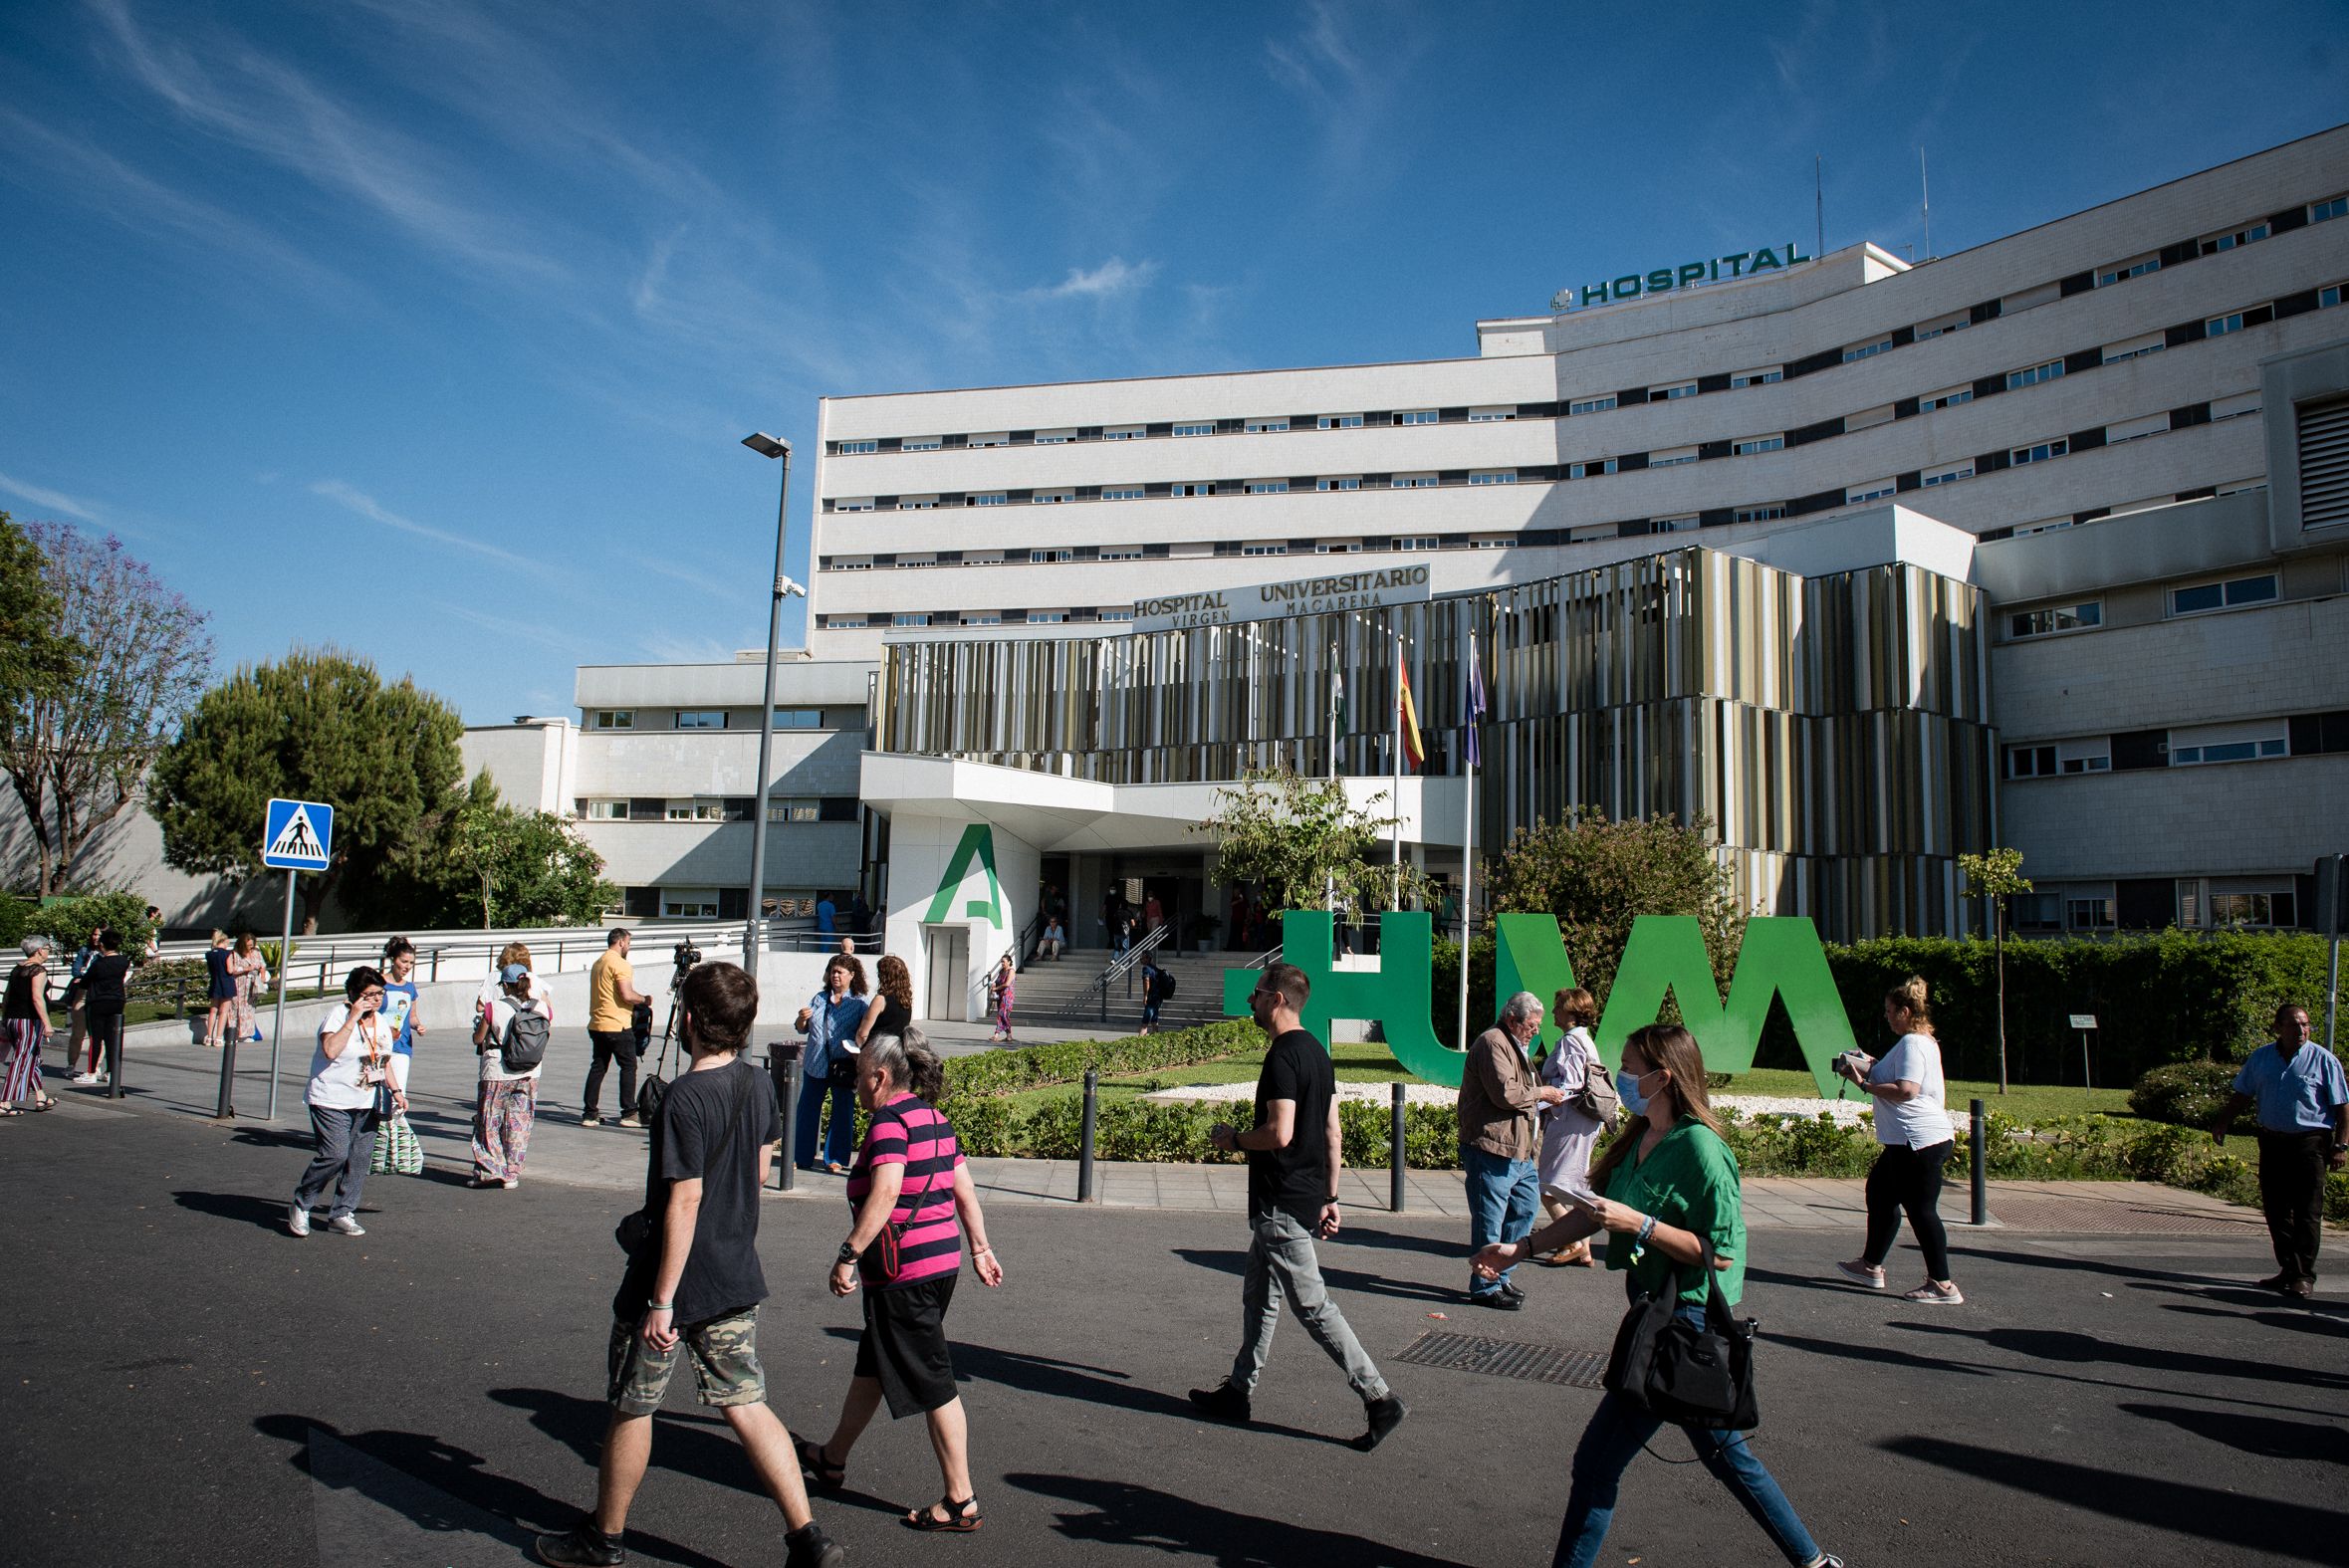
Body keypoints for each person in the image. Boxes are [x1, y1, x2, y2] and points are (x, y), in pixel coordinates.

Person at [1475, 1023, 1842, 1568]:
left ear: (1663, 1077)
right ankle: (1814, 1563)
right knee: (1728, 1458)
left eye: (1628, 1068)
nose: (1618, 1078)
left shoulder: (1701, 1149)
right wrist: (1522, 1248)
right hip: (1656, 1318)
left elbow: (1719, 1252)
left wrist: (1642, 1225)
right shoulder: (1640, 1135)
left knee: (1598, 1465)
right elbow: (1592, 1212)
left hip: (1684, 1325)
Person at [533, 962, 845, 1568]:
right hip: (733, 1270)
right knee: (747, 1403)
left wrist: (662, 1301)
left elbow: (685, 1198)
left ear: (693, 1022)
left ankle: (606, 1538)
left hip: (673, 1278)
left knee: (633, 1403)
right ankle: (807, 1537)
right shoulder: (757, 1083)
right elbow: (757, 1172)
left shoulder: (683, 1098)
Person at [1188, 962, 1407, 1451]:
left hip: (1280, 1200)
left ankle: (1379, 1397)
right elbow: (1333, 1132)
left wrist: (1233, 1141)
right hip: (1302, 1197)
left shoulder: (1284, 1057)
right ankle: (1238, 1391)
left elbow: (1279, 1132)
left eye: (1258, 993)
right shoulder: (1318, 1053)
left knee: (1312, 1305)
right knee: (1259, 1296)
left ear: (1278, 1000)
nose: (1251, 1000)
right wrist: (1331, 1197)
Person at [800, 1028, 1005, 1532]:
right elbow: (965, 1191)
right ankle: (832, 1457)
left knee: (933, 1380)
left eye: (857, 1071)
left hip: (903, 1273)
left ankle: (961, 1500)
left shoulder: (889, 1123)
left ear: (881, 1076)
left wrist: (849, 1253)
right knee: (875, 1359)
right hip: (940, 1266)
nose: (851, 1081)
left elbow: (887, 1192)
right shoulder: (936, 1120)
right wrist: (980, 1247)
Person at [1834, 976, 1964, 1304]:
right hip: (1908, 1140)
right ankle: (1870, 1266)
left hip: (1916, 1140)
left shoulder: (1911, 1043)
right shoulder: (1921, 1042)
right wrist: (1867, 1065)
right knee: (1879, 1195)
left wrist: (1864, 1085)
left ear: (1905, 1011)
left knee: (1921, 1211)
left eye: (1890, 1011)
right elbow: (1896, 1076)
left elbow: (1907, 1090)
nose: (1887, 1016)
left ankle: (1943, 1284)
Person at [2214, 1002, 2349, 1300]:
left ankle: (2303, 1276)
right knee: (2276, 1210)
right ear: (2278, 1028)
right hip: (2272, 1141)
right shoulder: (2262, 1058)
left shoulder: (2324, 1060)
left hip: (2310, 1143)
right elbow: (2242, 1094)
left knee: (2307, 1212)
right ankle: (2288, 1268)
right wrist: (2223, 1121)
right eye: (2294, 1025)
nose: (2302, 1030)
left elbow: (2342, 1107)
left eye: (2305, 1024)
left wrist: (2340, 1145)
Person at [1459, 991, 1565, 1309]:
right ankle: (1484, 1285)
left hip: (1520, 1150)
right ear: (1511, 1020)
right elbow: (1506, 1094)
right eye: (1531, 1025)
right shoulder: (1493, 1042)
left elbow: (1520, 1093)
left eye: (1537, 1026)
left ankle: (1501, 1274)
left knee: (1524, 1211)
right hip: (1493, 1147)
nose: (1536, 1031)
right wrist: (1542, 1092)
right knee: (1490, 1220)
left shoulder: (1516, 1045)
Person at [289, 967, 399, 1238]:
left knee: (359, 1159)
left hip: (366, 1101)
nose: (375, 1000)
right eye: (369, 994)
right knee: (335, 1155)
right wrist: (353, 1018)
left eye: (380, 994)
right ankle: (303, 1202)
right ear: (353, 994)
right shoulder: (337, 1016)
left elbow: (383, 1061)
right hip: (331, 1098)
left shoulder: (382, 1023)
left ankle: (342, 1212)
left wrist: (396, 1091)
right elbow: (330, 1051)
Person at [1533, 987, 1605, 1266]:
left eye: (1558, 1006)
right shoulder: (1584, 1040)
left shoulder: (1570, 1043)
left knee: (1547, 1184)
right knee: (1574, 1183)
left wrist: (1540, 1101)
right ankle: (1583, 1248)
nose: (1553, 1011)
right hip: (1583, 1121)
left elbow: (1571, 1085)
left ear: (1571, 1013)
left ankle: (1572, 1240)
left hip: (1570, 1121)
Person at [471, 962, 546, 1189]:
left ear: (505, 984)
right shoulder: (541, 1007)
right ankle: (512, 1173)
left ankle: (491, 1169)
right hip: (530, 1071)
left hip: (497, 1071)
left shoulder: (493, 1007)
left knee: (490, 1121)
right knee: (519, 1122)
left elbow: (478, 1039)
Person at [796, 956, 867, 1176]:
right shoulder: (819, 999)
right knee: (807, 1110)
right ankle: (801, 1156)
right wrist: (801, 1019)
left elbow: (865, 1034)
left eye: (841, 972)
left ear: (852, 976)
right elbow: (801, 1028)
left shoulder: (858, 1004)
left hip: (842, 1067)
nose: (835, 976)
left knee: (842, 1112)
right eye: (833, 971)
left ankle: (835, 1158)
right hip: (815, 1063)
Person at [585, 929, 650, 1129]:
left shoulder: (599, 963)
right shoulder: (620, 964)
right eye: (628, 943)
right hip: (617, 1024)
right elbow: (627, 994)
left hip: (597, 1024)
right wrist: (644, 1000)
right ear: (621, 942)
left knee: (598, 1066)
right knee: (629, 1067)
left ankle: (589, 1114)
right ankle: (629, 1113)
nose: (628, 947)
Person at [69, 928, 132, 1089]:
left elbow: (85, 982)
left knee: (96, 1038)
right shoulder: (124, 961)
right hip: (117, 1000)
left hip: (98, 1001)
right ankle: (111, 1071)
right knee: (112, 1038)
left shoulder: (99, 963)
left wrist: (81, 981)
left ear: (103, 945)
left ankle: (91, 1072)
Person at [1, 935, 58, 1113]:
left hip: (12, 1018)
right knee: (22, 1059)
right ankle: (4, 1102)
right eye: (48, 948)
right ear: (39, 950)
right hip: (28, 1021)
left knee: (30, 1057)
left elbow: (7, 995)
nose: (49, 951)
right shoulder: (38, 971)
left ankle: (41, 1097)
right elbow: (37, 998)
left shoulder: (17, 969)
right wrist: (47, 1024)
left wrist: (5, 1018)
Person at [379, 937, 428, 1106]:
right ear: (393, 960)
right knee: (377, 1091)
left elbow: (412, 1016)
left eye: (411, 963)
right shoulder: (379, 983)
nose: (407, 966)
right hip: (378, 1045)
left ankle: (393, 1128)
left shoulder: (409, 988)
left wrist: (418, 1026)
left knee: (398, 1092)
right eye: (404, 961)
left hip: (401, 1046)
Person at [853, 955, 914, 1059]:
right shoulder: (906, 1001)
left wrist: (858, 1054)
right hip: (896, 1053)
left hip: (877, 1053)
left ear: (884, 977)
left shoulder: (880, 1000)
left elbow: (862, 1033)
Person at [228, 934, 269, 1044]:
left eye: (252, 944)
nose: (250, 947)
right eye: (248, 945)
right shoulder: (235, 954)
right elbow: (232, 969)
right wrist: (246, 968)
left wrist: (263, 975)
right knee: (236, 1008)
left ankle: (247, 1034)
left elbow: (262, 965)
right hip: (239, 983)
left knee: (249, 1009)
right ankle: (234, 1033)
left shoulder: (256, 952)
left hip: (252, 984)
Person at [65, 933, 95, 1080]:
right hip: (82, 993)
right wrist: (85, 974)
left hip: (97, 994)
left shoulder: (106, 954)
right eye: (94, 934)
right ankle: (71, 1064)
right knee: (77, 1033)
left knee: (96, 1035)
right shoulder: (85, 950)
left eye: (99, 935)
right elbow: (75, 971)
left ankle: (94, 1068)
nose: (95, 937)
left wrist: (85, 974)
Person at [203, 931, 236, 1049]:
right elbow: (230, 970)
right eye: (227, 942)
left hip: (215, 982)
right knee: (223, 1012)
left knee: (213, 1010)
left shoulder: (209, 954)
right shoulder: (227, 953)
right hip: (226, 983)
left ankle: (209, 1037)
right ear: (223, 941)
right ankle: (218, 1037)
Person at [987, 954, 1015, 1043]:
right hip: (1000, 995)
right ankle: (1008, 1035)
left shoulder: (1011, 971)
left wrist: (996, 988)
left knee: (1002, 1014)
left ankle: (996, 1035)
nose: (1002, 963)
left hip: (1007, 996)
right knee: (1002, 1015)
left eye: (1003, 961)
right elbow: (997, 981)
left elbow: (1007, 984)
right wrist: (993, 985)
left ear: (1009, 962)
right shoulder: (1001, 971)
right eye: (1001, 961)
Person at [1138, 956, 1170, 1035]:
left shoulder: (1146, 968)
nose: (1140, 959)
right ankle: (1155, 1040)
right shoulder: (1155, 969)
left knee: (1145, 1023)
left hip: (1152, 997)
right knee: (1154, 1020)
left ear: (1148, 958)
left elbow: (1146, 981)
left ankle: (1138, 1045)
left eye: (1142, 957)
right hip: (1158, 997)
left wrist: (1145, 995)